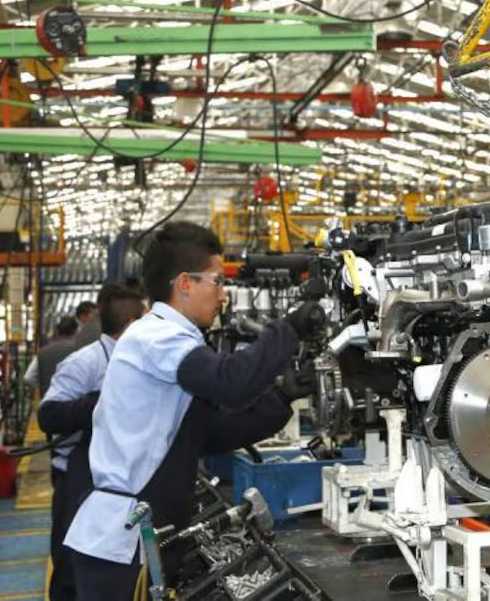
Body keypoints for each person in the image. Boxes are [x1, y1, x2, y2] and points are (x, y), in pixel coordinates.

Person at [63, 222, 325, 601]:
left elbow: (211, 433)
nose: (222, 295)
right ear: (185, 283)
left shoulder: (172, 341)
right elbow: (229, 383)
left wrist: (281, 397)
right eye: (218, 282)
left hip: (138, 537)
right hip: (120, 544)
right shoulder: (156, 336)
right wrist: (288, 329)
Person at [38, 284, 148, 601]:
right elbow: (48, 415)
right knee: (71, 570)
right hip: (77, 482)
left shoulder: (140, 361)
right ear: (132, 325)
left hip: (118, 481)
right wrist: (99, 403)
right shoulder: (85, 363)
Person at [25, 316, 80, 394]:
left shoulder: (43, 352)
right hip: (73, 398)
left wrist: (44, 387)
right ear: (76, 331)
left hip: (48, 397)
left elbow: (28, 377)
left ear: (58, 331)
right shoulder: (80, 350)